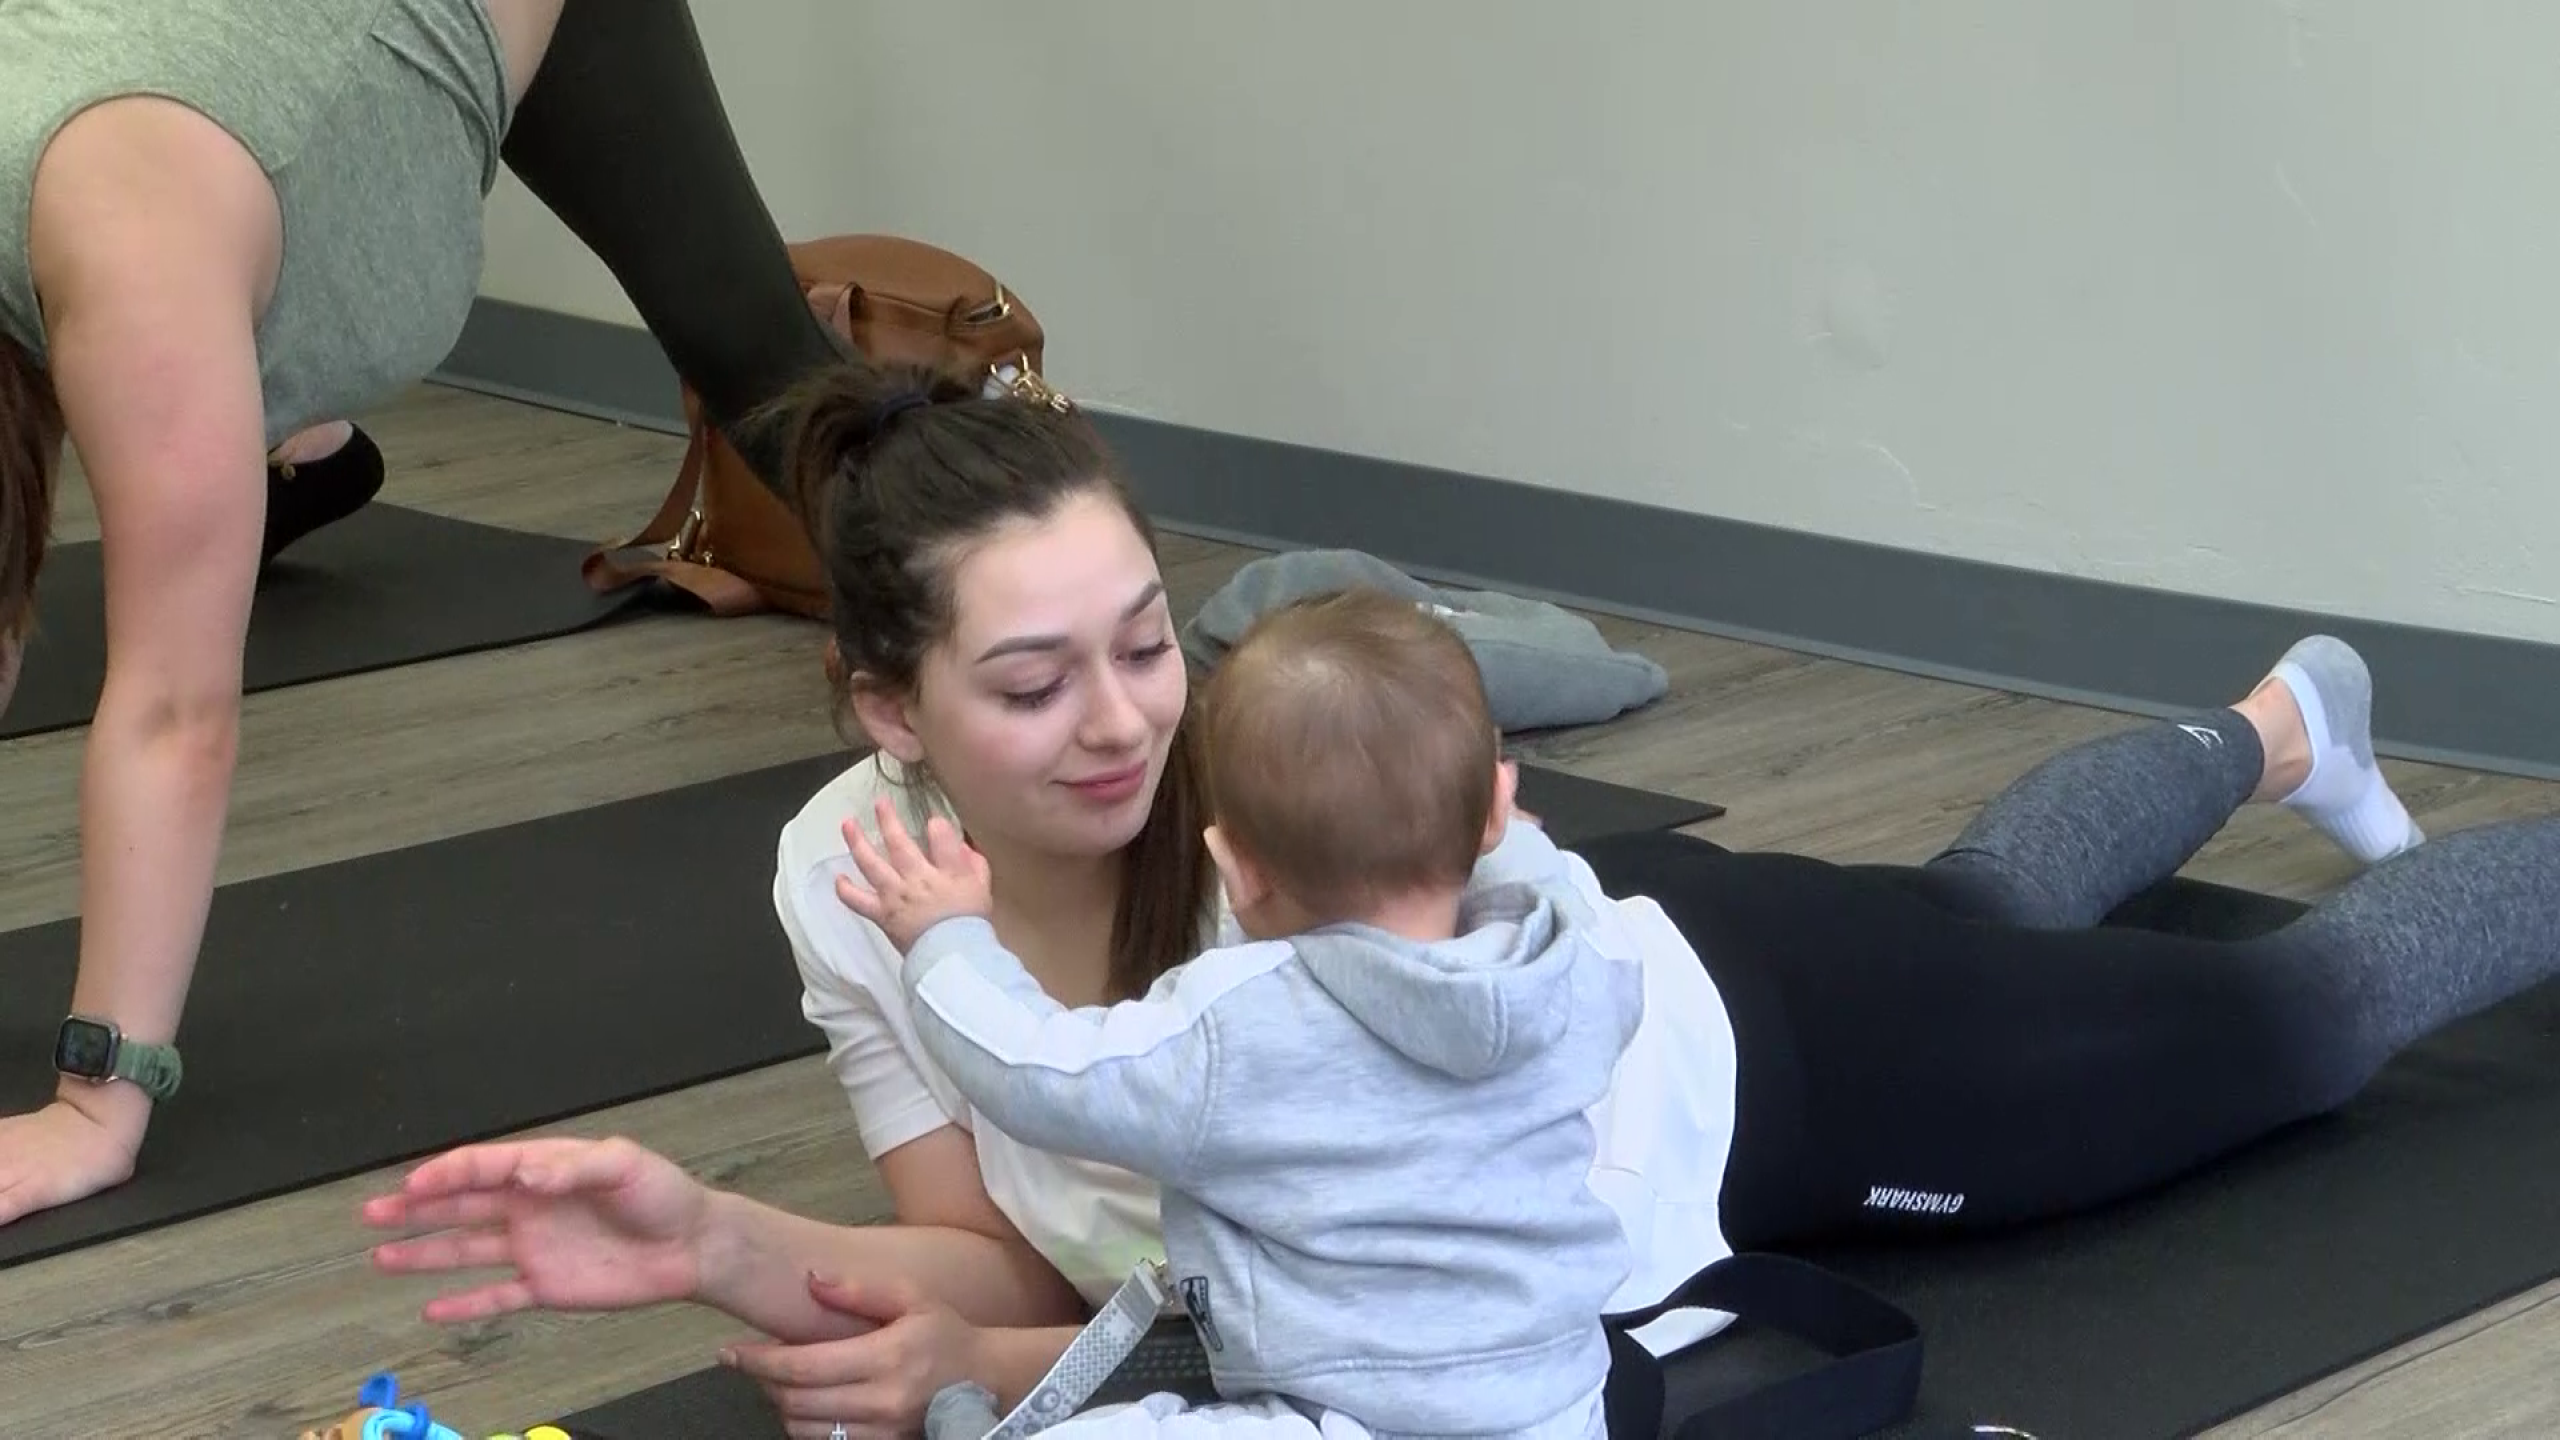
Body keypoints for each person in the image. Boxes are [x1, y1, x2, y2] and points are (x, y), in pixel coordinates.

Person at [359, 355, 2560, 1439]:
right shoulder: (843, 879)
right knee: (1975, 892)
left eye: (1147, 637)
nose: (1131, 719)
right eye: (1032, 683)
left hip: (1739, 1082)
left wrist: (984, 1361)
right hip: (1631, 990)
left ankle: (2280, 747)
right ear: (884, 710)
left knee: (2300, 1032)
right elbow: (1003, 1230)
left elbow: (1345, 1316)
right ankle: (2275, 727)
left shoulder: (1258, 875)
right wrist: (719, 1248)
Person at [0, 0, 860, 1226]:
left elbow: (173, 713)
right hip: (210, 122)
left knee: (769, 376)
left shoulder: (134, 262)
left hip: (429, 38)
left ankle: (1049, 604)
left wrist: (98, 1101)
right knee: (175, 418)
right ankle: (305, 447)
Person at [833, 584, 1646, 1440]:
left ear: (1236, 869)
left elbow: (1042, 1072)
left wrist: (948, 939)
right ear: (1492, 806)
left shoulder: (1242, 1029)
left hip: (1339, 1416)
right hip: (1558, 1407)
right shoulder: (1579, 967)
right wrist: (1513, 835)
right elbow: (1551, 882)